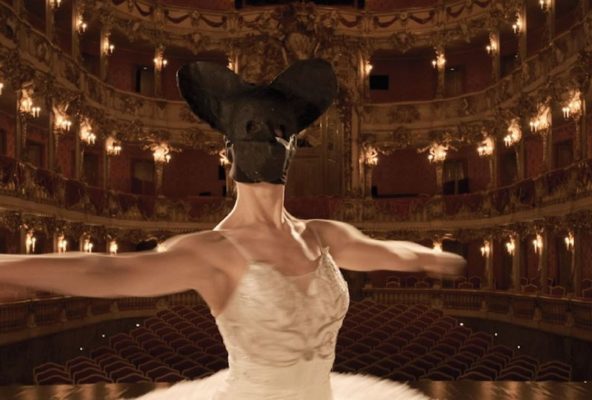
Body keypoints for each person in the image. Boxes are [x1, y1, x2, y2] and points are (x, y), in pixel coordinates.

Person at [0, 59, 464, 400]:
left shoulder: (324, 234)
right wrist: (14, 267)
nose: (268, 140)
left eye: (281, 130)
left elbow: (382, 252)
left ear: (295, 144)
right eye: (253, 129)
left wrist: (424, 257)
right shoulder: (214, 251)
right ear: (229, 148)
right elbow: (111, 272)